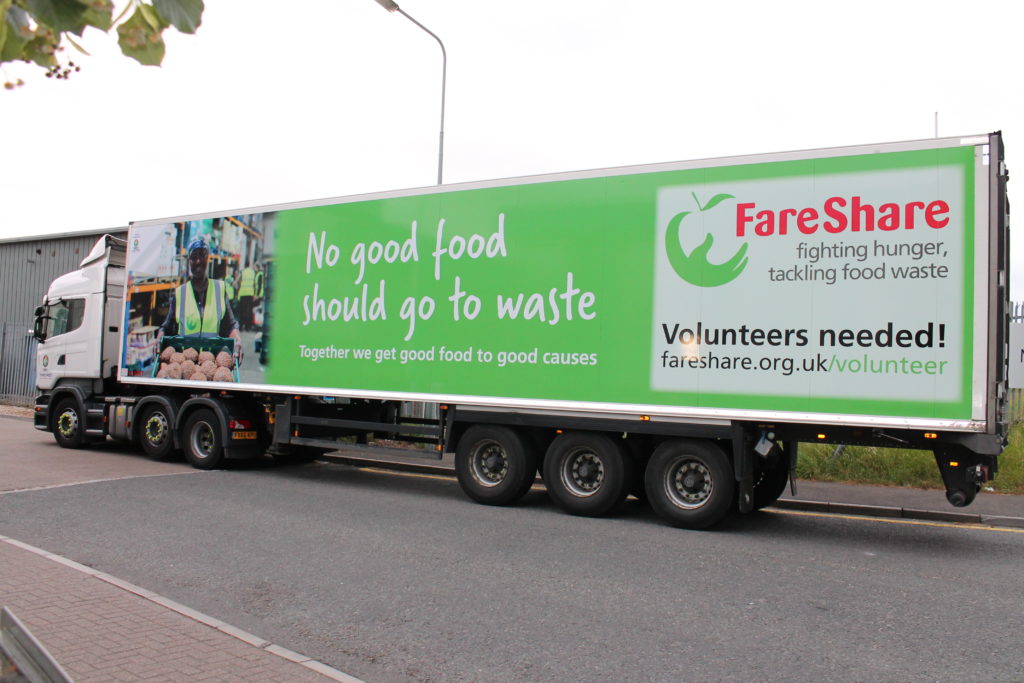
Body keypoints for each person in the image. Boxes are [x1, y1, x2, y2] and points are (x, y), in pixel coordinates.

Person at [158, 237, 242, 361]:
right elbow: (166, 327)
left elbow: (231, 326)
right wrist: (159, 338)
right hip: (185, 363)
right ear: (188, 261)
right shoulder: (180, 293)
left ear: (208, 258)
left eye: (202, 255)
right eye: (193, 257)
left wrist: (238, 340)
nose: (198, 261)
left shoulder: (220, 289)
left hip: (213, 363)